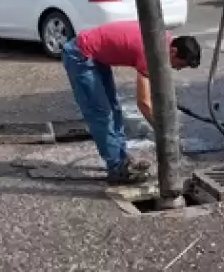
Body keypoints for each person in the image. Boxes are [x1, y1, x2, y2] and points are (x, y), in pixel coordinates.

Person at [61, 21, 201, 185]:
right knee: (101, 115)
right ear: (174, 51)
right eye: (181, 65)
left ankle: (121, 158)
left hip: (95, 56)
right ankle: (117, 169)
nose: (177, 69)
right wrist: (163, 133)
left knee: (114, 110)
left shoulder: (163, 39)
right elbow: (144, 103)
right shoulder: (151, 52)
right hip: (80, 55)